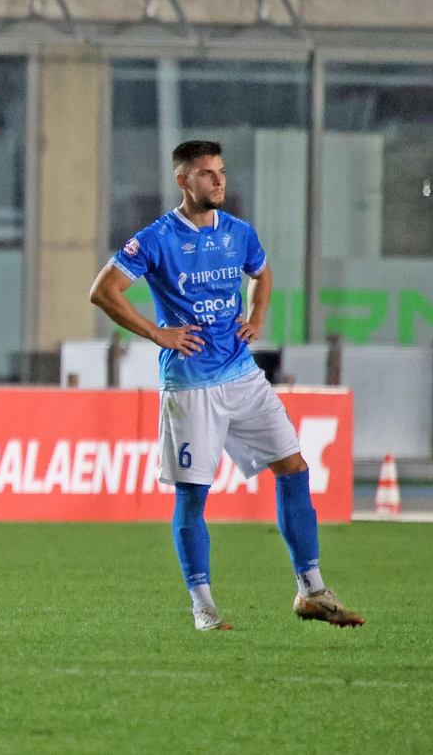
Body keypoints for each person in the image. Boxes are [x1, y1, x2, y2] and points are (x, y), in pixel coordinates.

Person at [88, 139, 365, 632]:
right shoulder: (156, 238)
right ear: (183, 180)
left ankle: (311, 590)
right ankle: (204, 607)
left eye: (221, 172)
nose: (219, 181)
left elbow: (262, 273)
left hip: (243, 376)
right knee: (194, 495)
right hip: (190, 384)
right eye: (207, 173)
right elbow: (103, 290)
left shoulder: (238, 232)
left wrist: (256, 316)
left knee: (294, 467)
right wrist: (157, 333)